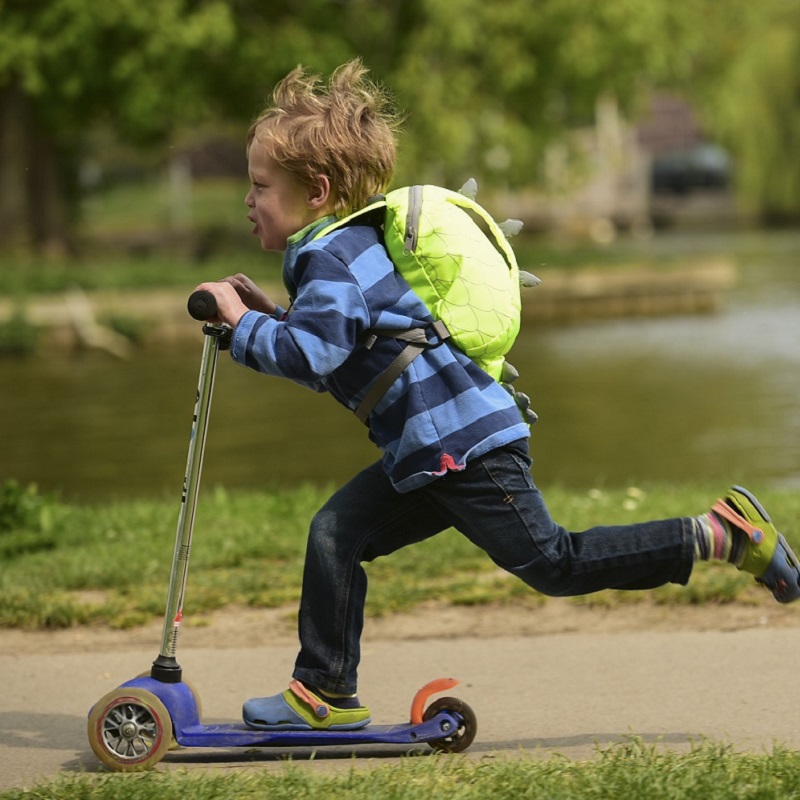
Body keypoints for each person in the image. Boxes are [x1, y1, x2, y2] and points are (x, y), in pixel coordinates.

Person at [195, 59, 800, 732]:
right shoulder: (345, 250)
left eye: (258, 187)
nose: (247, 201)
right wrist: (263, 319)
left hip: (462, 447)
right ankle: (324, 693)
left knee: (554, 563)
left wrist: (245, 323)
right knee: (338, 532)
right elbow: (341, 339)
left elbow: (315, 357)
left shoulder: (329, 259)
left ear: (317, 192)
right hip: (428, 448)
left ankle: (720, 534)